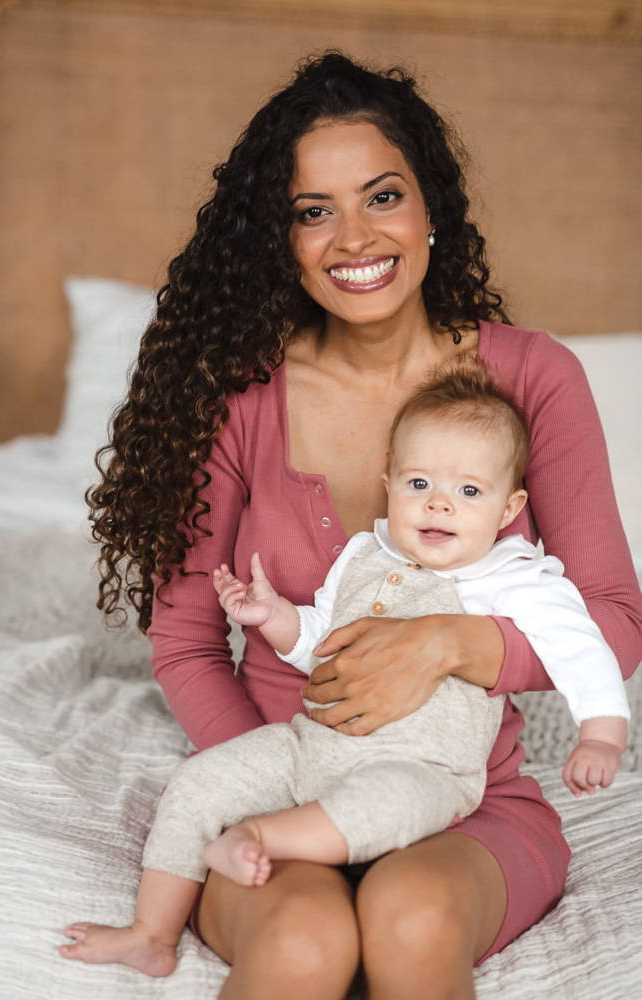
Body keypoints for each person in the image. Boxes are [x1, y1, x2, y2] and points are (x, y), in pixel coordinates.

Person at [60, 52, 641, 1000]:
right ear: (278, 238)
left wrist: (448, 644)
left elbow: (613, 617)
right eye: (312, 210)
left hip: (461, 794)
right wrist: (276, 778)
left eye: (382, 196)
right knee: (302, 943)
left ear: (429, 207)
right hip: (284, 780)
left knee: (411, 920)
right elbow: (187, 638)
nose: (354, 237)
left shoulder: (533, 379)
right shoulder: (239, 397)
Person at [58, 365, 630, 978]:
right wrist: (275, 617)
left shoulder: (514, 578)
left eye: (469, 491)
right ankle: (151, 933)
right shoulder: (364, 556)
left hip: (424, 768)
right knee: (202, 781)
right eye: (419, 483)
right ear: (389, 484)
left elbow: (583, 647)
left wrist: (601, 735)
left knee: (386, 803)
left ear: (510, 507)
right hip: (313, 747)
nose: (439, 503)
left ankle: (263, 836)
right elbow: (319, 645)